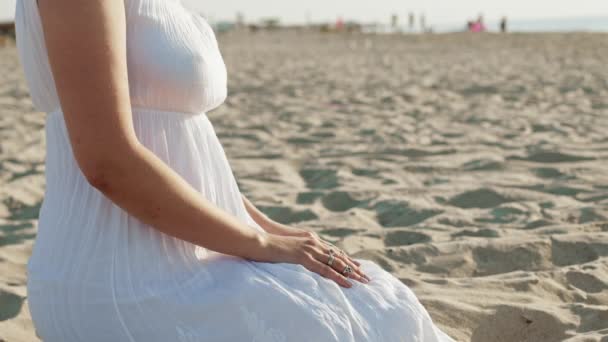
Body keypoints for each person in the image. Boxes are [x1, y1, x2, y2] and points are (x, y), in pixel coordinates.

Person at [15, 0, 455, 341]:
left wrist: (271, 230)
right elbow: (107, 160)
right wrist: (259, 242)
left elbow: (177, 157)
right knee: (361, 321)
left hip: (189, 249)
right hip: (123, 275)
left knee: (377, 299)